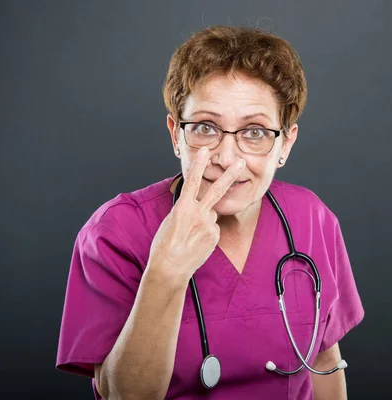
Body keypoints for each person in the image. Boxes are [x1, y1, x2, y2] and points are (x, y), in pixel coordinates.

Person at [56, 25, 365, 399]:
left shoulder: (311, 217)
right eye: (205, 128)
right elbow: (123, 395)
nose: (226, 158)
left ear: (285, 143)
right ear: (176, 135)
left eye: (254, 132)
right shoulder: (115, 232)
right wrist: (167, 270)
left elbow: (325, 359)